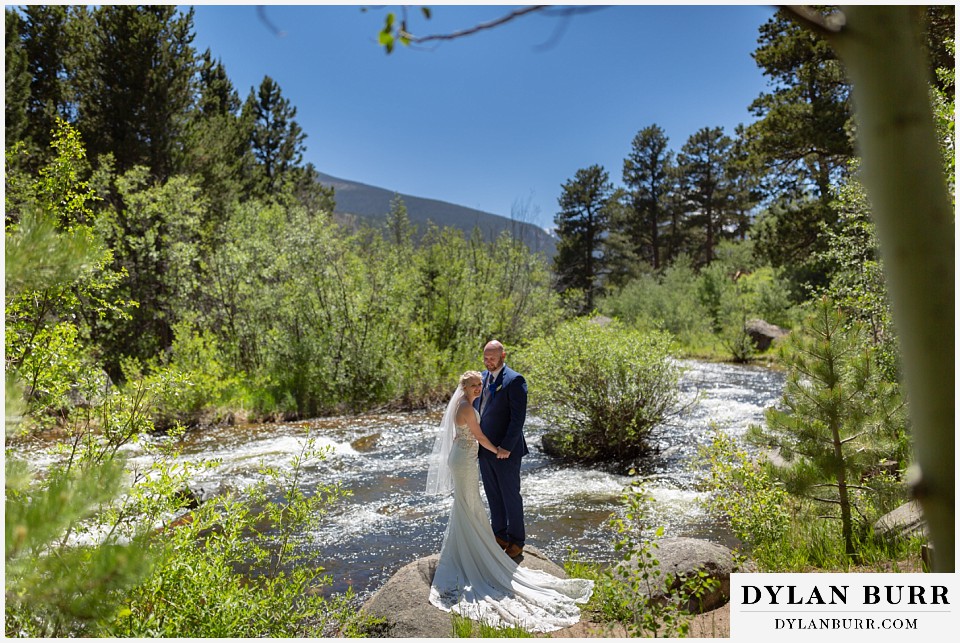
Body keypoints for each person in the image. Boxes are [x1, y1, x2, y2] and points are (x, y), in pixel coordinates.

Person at [425, 371, 593, 633]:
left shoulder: (462, 404)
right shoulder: (467, 406)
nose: (479, 387)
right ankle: (475, 551)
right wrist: (499, 451)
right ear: (465, 387)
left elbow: (461, 435)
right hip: (467, 459)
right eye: (474, 385)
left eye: (480, 384)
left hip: (463, 457)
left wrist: (476, 447)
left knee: (467, 505)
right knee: (469, 505)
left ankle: (474, 546)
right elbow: (479, 437)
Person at [475, 340, 528, 558]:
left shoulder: (515, 380)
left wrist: (506, 446)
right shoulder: (481, 377)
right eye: (486, 358)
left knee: (510, 494)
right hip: (484, 448)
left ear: (503, 356)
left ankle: (517, 540)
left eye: (493, 358)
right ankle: (500, 534)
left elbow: (518, 419)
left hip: (506, 450)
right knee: (493, 494)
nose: (489, 362)